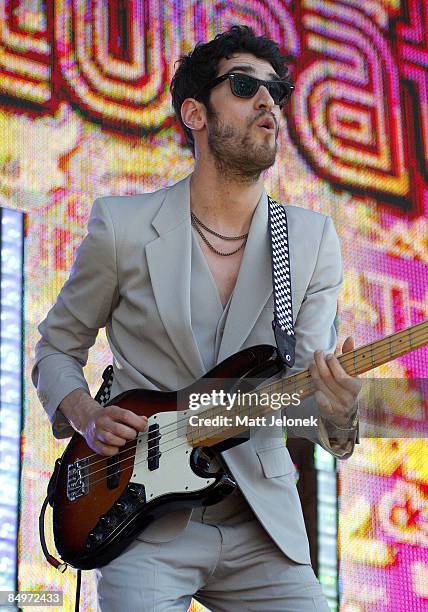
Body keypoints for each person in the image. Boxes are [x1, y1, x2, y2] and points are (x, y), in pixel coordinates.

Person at [32, 25, 361, 612]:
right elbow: (56, 348)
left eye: (276, 91)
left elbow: (309, 393)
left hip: (262, 523)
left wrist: (337, 412)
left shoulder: (310, 240)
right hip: (141, 520)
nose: (268, 102)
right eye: (244, 86)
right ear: (195, 113)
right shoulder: (122, 226)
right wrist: (83, 415)